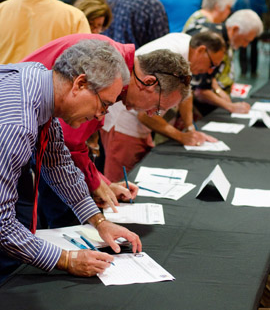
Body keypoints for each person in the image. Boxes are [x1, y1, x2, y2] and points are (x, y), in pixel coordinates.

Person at [0, 39, 142, 282]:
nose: (101, 115)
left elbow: (58, 164)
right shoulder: (17, 125)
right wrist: (65, 259)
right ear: (80, 83)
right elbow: (2, 224)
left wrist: (99, 222)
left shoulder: (41, 83)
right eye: (105, 104)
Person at [21, 33, 191, 227]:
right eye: (159, 108)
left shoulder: (114, 59)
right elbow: (69, 144)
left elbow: (65, 147)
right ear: (150, 82)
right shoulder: (108, 68)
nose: (152, 114)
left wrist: (101, 183)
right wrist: (95, 184)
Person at [101, 31, 225, 181]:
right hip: (123, 126)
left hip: (137, 123)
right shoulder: (169, 56)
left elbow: (186, 94)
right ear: (201, 50)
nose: (210, 71)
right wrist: (181, 136)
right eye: (212, 65)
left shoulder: (186, 49)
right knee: (121, 183)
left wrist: (190, 128)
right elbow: (145, 116)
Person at [185, 9, 264, 115]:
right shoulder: (215, 42)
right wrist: (231, 107)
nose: (245, 45)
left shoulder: (218, 32)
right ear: (235, 29)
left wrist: (218, 90)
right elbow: (200, 91)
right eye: (246, 40)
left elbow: (208, 78)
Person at [233, 0, 267, 77]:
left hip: (241, 26)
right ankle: (253, 71)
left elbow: (235, 10)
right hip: (255, 26)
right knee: (254, 48)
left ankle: (243, 71)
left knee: (242, 47)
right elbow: (264, 11)